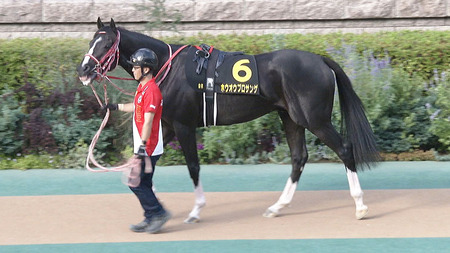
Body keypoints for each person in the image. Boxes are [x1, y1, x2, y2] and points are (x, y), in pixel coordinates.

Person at [104, 48, 171, 234]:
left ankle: (158, 213)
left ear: (146, 69)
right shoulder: (143, 88)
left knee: (136, 183)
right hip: (145, 146)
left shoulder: (152, 91)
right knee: (144, 183)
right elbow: (136, 107)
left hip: (148, 147)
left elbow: (149, 120)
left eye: (136, 67)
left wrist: (142, 146)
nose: (133, 70)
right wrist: (114, 107)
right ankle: (151, 217)